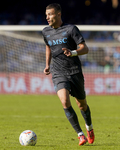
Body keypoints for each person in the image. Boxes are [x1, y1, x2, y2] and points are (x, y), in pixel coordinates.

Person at [42, 3, 94, 146]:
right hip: (58, 72)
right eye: (46, 15)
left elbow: (85, 48)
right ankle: (80, 135)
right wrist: (47, 64)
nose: (47, 17)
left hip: (74, 71)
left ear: (58, 14)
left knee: (82, 105)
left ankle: (89, 128)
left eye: (50, 14)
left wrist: (73, 53)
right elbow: (48, 46)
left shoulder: (71, 29)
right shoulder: (45, 31)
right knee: (65, 102)